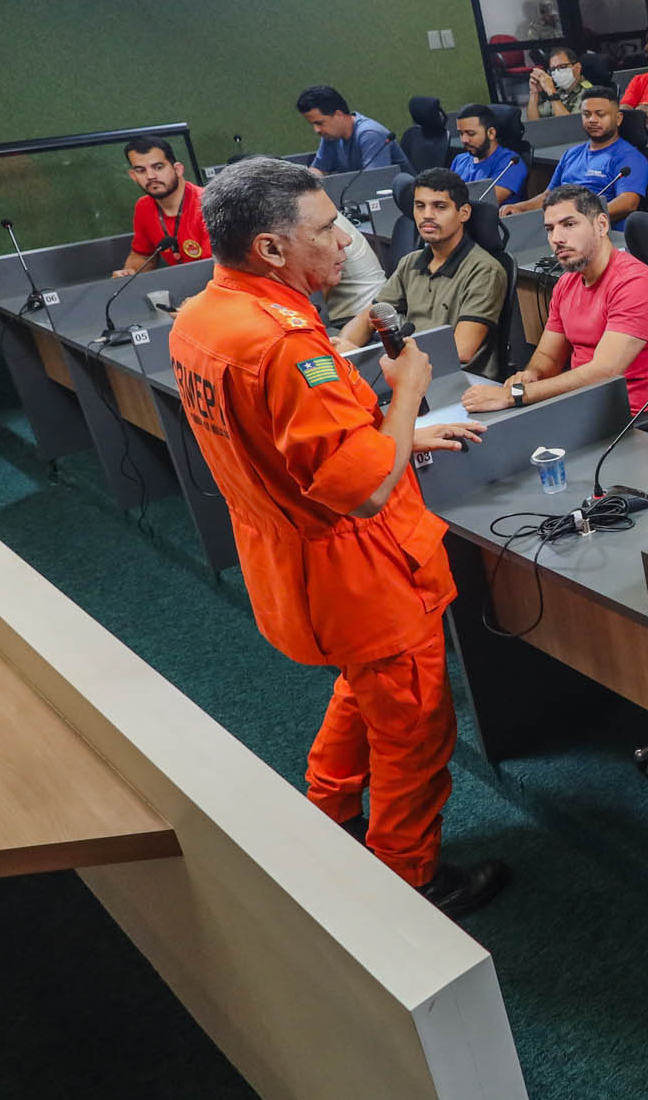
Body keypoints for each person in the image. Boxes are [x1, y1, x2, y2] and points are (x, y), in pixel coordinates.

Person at [165, 156, 504, 917]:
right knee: (414, 724)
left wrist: (399, 435)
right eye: (326, 231)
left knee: (359, 688)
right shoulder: (285, 342)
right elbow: (363, 490)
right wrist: (410, 391)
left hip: (290, 565)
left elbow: (287, 445)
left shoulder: (202, 318)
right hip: (364, 575)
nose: (347, 245)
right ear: (271, 248)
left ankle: (332, 811)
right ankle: (411, 878)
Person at [464, 185, 648, 419]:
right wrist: (531, 375)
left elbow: (603, 373)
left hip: (625, 418)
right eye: (550, 229)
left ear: (602, 225)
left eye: (569, 224)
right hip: (576, 405)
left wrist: (516, 394)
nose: (557, 239)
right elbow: (549, 358)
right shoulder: (567, 283)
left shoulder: (635, 285)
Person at [338, 167, 509, 379]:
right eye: (420, 206)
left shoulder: (485, 270)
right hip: (412, 369)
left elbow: (460, 351)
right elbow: (369, 317)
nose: (427, 215)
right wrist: (345, 348)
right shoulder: (410, 262)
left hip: (459, 379)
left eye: (439, 206)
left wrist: (385, 358)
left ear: (463, 213)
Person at [511, 85, 648, 220]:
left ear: (618, 119)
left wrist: (584, 217)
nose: (592, 120)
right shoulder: (571, 154)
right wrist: (520, 207)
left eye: (600, 114)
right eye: (586, 114)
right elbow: (548, 196)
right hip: (562, 225)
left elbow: (628, 202)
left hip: (600, 231)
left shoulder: (629, 158)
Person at [113, 133, 209, 275]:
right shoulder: (143, 207)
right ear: (133, 176)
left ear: (178, 170)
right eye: (141, 171)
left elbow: (218, 267)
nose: (150, 176)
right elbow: (142, 255)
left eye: (158, 167)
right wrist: (128, 274)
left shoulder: (209, 203)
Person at [297, 85, 397, 174]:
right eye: (313, 125)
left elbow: (373, 181)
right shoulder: (330, 136)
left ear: (339, 115)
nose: (317, 130)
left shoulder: (370, 134)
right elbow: (318, 169)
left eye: (319, 123)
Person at [316, 210, 388, 329]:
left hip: (361, 320)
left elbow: (315, 308)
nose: (346, 240)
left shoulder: (317, 228)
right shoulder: (319, 218)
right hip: (358, 316)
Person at [447, 103, 527, 205]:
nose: (464, 140)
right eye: (461, 133)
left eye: (471, 134)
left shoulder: (511, 163)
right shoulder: (459, 160)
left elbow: (485, 204)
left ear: (491, 133)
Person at [526, 48, 580, 120]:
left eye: (562, 67)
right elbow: (533, 123)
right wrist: (534, 93)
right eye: (553, 69)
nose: (557, 72)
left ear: (577, 68)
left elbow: (569, 125)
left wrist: (552, 93)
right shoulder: (559, 91)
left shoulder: (588, 93)